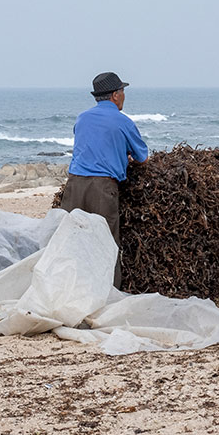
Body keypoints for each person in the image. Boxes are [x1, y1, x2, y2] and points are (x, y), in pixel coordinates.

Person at [58, 71, 149, 286]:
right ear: (115, 95)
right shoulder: (122, 121)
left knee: (70, 241)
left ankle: (66, 289)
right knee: (105, 243)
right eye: (123, 91)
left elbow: (91, 144)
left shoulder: (82, 118)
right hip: (102, 187)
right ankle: (107, 295)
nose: (124, 96)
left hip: (74, 185)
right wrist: (125, 156)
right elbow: (142, 158)